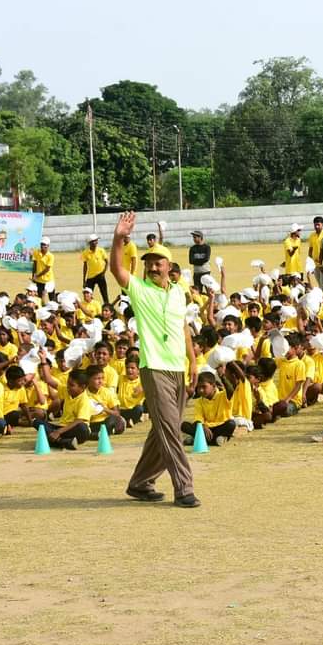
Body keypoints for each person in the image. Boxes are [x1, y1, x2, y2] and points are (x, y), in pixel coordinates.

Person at [111, 211, 199, 508]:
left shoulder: (178, 293)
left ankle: (140, 483)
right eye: (148, 262)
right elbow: (117, 269)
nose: (151, 266)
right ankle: (184, 487)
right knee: (170, 429)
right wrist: (118, 239)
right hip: (154, 367)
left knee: (161, 429)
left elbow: (183, 327)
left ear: (169, 267)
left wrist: (194, 361)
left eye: (157, 262)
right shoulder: (138, 289)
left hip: (178, 368)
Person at [81, 234, 110, 303]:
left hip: (100, 275)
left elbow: (107, 262)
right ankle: (91, 307)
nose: (96, 242)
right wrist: (84, 279)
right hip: (90, 276)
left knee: (104, 293)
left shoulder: (101, 250)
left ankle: (107, 306)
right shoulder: (85, 253)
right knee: (88, 294)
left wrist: (103, 272)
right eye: (94, 241)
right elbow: (85, 266)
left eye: (97, 241)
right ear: (90, 243)